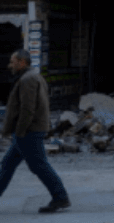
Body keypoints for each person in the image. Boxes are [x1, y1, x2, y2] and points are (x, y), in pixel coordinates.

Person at [0, 50, 70, 213]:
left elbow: (27, 109)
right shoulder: (29, 77)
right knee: (8, 164)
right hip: (27, 131)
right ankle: (60, 196)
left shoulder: (28, 79)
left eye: (13, 61)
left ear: (22, 62)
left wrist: (20, 131)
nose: (10, 65)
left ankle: (60, 196)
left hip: (29, 131)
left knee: (38, 165)